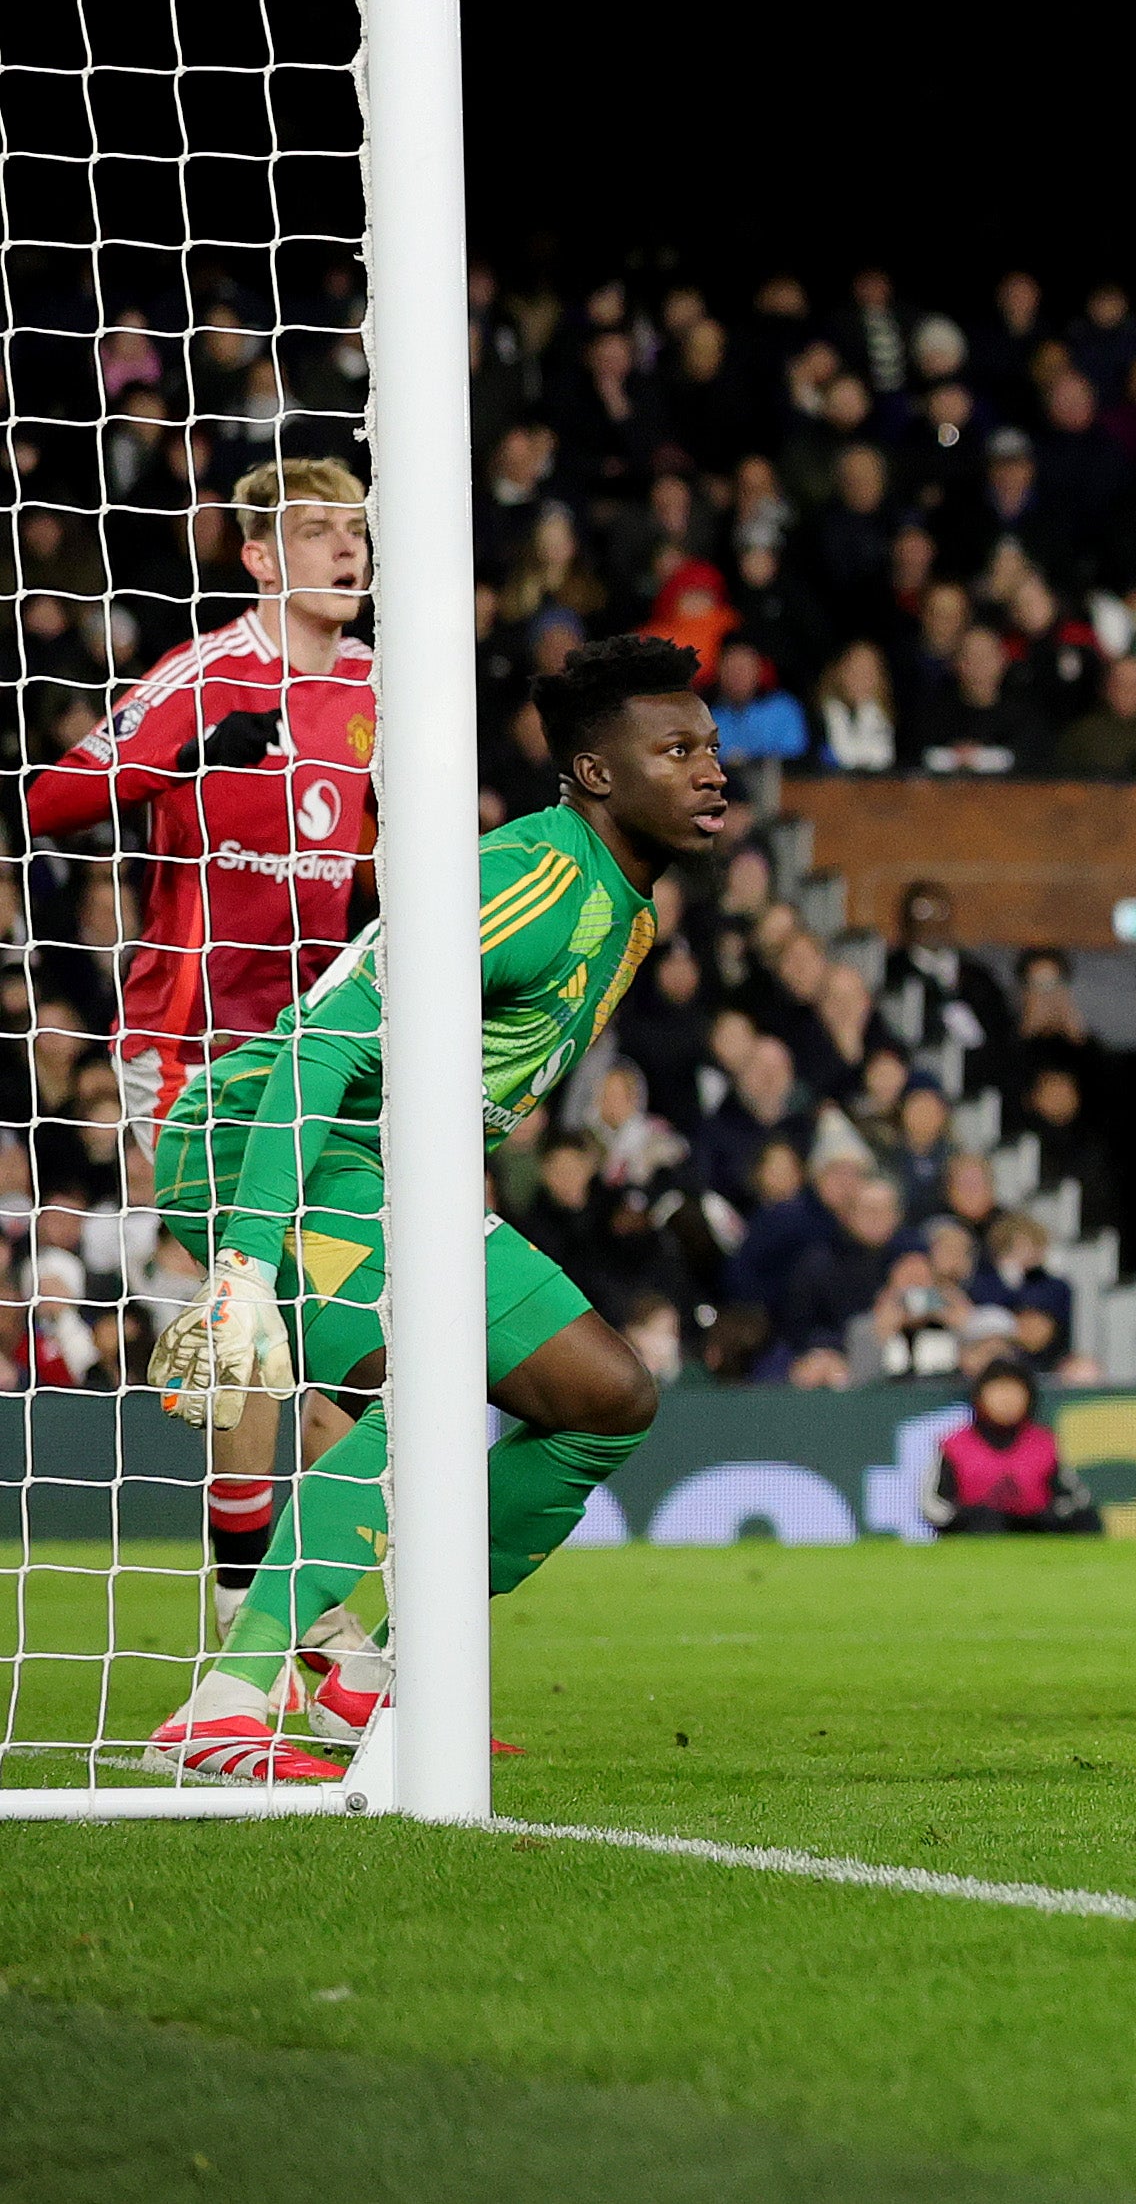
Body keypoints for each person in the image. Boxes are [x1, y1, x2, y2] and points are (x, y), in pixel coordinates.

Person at [140, 634, 728, 1783]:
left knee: (607, 1398)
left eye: (710, 747)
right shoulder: (536, 878)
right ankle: (226, 1704)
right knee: (436, 1393)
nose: (710, 769)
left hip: (387, 1171)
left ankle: (387, 1684)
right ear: (597, 774)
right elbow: (315, 1052)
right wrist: (246, 1265)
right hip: (269, 1152)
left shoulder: (628, 910)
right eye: (676, 749)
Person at [20, 457, 382, 1621]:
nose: (348, 550)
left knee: (363, 1333)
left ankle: (303, 1611)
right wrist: (177, 760)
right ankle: (254, 1607)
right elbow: (45, 802)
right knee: (260, 1302)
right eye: (320, 531)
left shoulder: (382, 690)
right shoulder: (203, 679)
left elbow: (369, 860)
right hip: (186, 1049)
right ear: (262, 556)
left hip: (320, 1047)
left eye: (358, 530)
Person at [929, 1356, 1101, 1534]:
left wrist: (1045, 1516)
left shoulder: (1043, 1443)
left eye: (1015, 1391)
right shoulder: (956, 1444)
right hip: (974, 1536)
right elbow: (933, 1505)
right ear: (980, 1396)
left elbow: (1075, 1498)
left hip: (1037, 1533)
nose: (1007, 1400)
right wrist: (966, 1517)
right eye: (998, 1391)